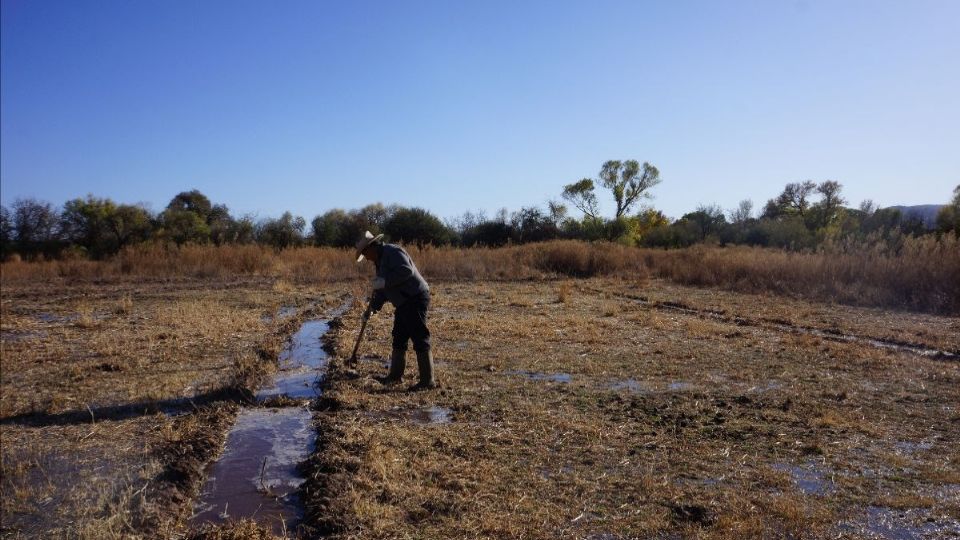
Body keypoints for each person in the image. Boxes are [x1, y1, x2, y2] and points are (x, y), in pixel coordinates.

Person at [355, 231, 435, 391]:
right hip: (403, 302)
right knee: (399, 337)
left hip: (415, 297)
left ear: (372, 247)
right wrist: (372, 309)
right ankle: (395, 377)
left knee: (419, 337)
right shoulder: (379, 261)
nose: (367, 258)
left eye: (365, 253)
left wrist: (384, 282)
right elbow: (384, 291)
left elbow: (406, 271)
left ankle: (427, 382)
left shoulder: (393, 252)